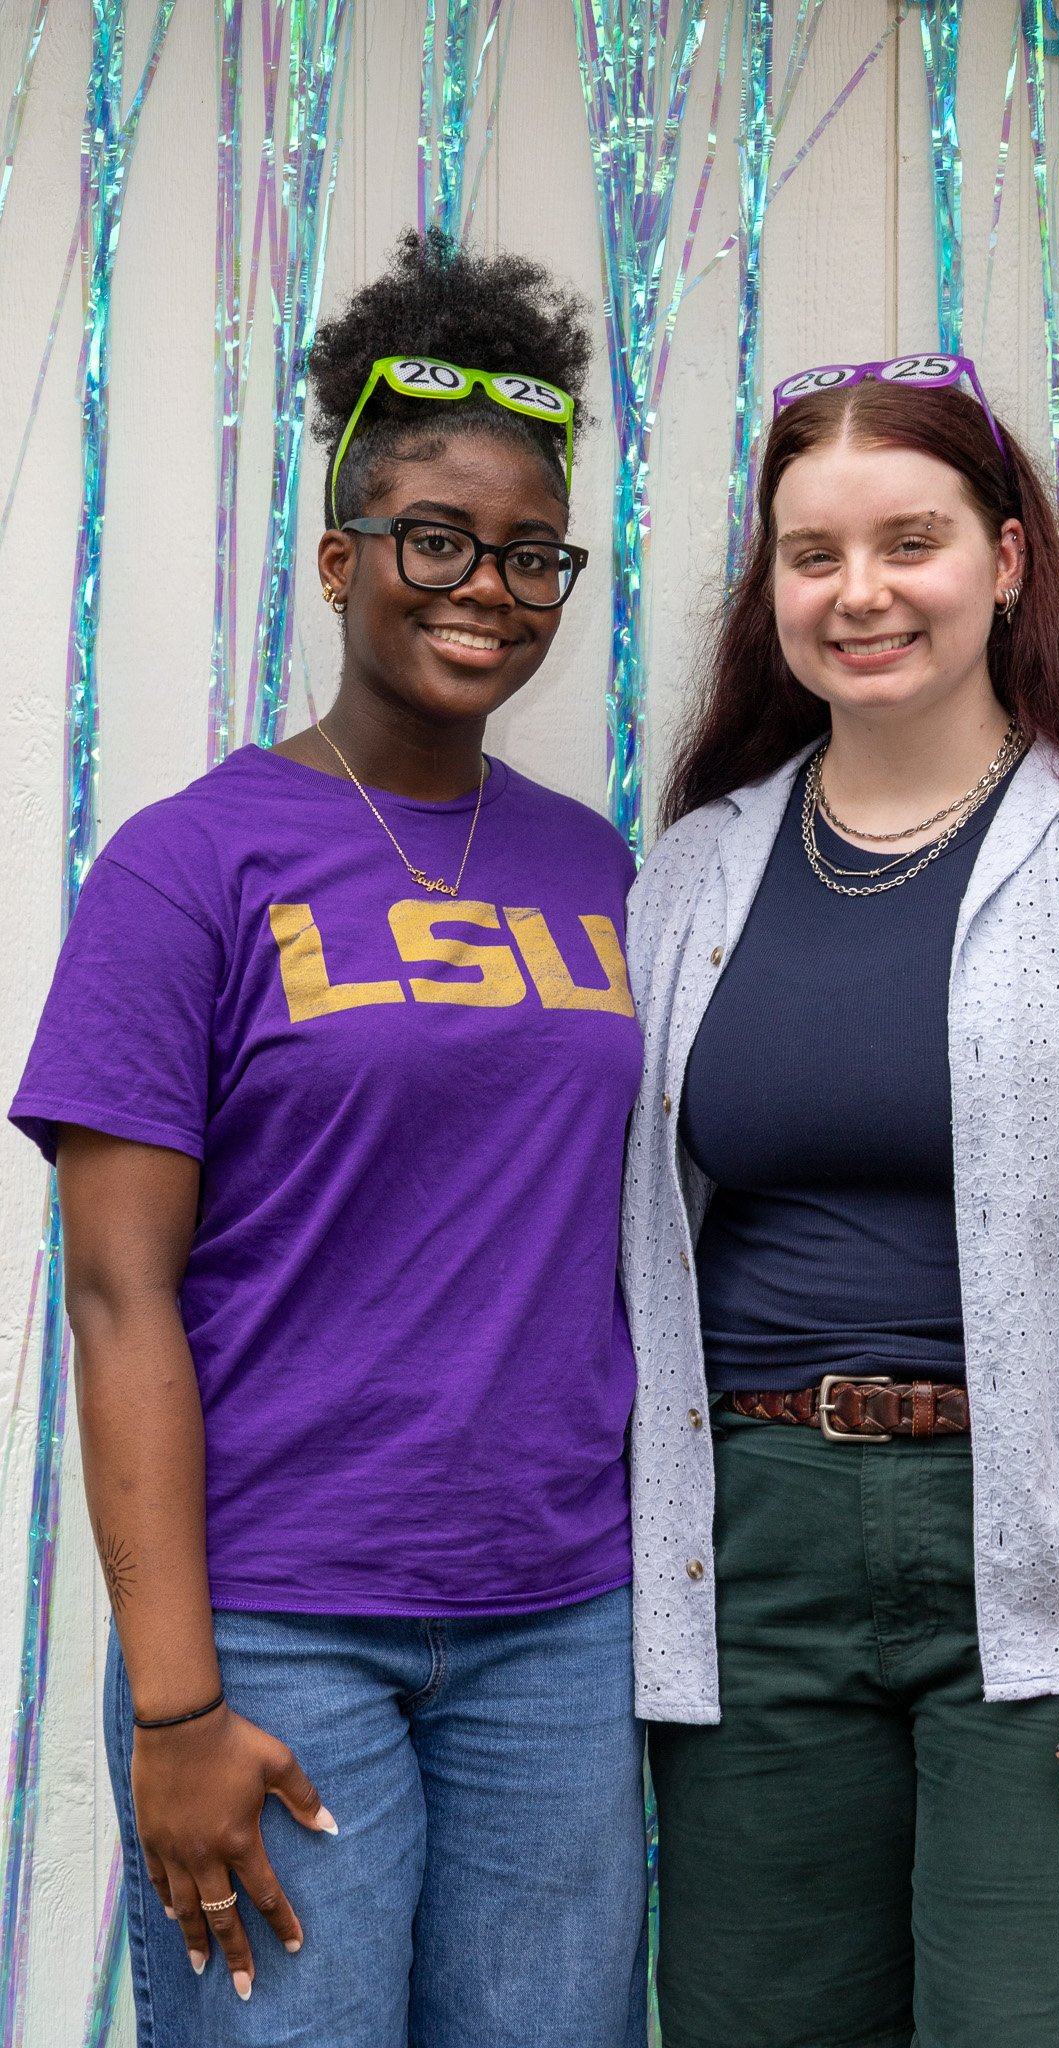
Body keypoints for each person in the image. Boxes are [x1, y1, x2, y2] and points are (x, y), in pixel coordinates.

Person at [619, 353, 1059, 2048]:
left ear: (1006, 559)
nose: (859, 593)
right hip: (753, 1563)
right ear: (772, 588)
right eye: (813, 556)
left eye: (910, 541)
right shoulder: (696, 870)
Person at [9, 232, 648, 2048]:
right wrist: (172, 1703)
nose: (489, 589)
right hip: (284, 1625)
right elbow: (121, 1301)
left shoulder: (595, 869)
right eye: (439, 539)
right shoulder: (188, 867)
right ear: (340, 556)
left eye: (533, 553)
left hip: (562, 1625)